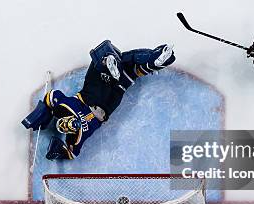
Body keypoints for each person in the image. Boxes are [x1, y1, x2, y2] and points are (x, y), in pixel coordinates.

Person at [22, 40, 175, 159]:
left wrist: (39, 118)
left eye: (64, 124)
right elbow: (71, 153)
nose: (68, 125)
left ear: (62, 122)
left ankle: (153, 61)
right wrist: (55, 151)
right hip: (101, 101)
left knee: (127, 70)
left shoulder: (65, 111)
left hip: (97, 98)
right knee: (110, 59)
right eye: (69, 127)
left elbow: (51, 97)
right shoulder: (76, 135)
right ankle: (113, 64)